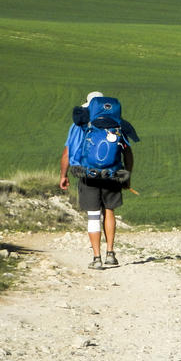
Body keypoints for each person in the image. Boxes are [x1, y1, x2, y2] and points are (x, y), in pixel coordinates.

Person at [59, 91, 135, 270]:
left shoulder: (79, 124)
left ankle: (96, 258)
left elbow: (67, 153)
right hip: (112, 174)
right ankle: (110, 253)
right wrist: (127, 175)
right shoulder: (117, 124)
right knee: (109, 211)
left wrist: (63, 175)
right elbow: (128, 153)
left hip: (87, 174)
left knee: (93, 215)